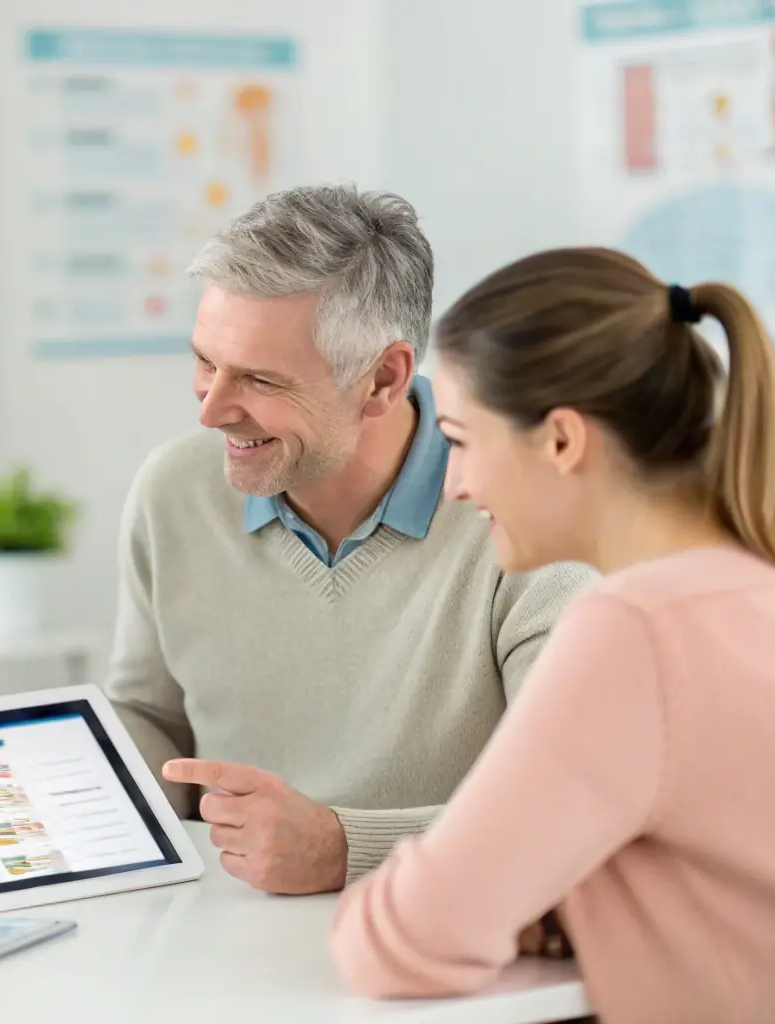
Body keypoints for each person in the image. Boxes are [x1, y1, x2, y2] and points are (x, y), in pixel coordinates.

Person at [330, 248, 775, 1023]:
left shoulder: (635, 627)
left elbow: (399, 943)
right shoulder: (774, 580)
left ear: (562, 440)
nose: (454, 483)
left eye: (459, 439)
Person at [104, 184, 593, 895]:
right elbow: (150, 718)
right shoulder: (172, 490)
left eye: (259, 380)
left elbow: (573, 804)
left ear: (382, 380)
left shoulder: (523, 517)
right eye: (205, 361)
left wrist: (346, 847)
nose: (211, 411)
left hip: (446, 935)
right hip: (222, 927)